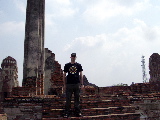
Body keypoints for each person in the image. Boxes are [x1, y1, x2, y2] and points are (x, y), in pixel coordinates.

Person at [63, 53, 84, 118]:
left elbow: (81, 75)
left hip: (76, 84)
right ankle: (67, 112)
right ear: (70, 57)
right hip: (69, 84)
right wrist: (64, 84)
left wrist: (82, 84)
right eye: (72, 56)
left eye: (74, 57)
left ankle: (77, 112)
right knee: (68, 99)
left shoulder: (78, 65)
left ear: (75, 57)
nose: (73, 57)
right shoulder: (67, 65)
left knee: (77, 99)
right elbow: (64, 75)